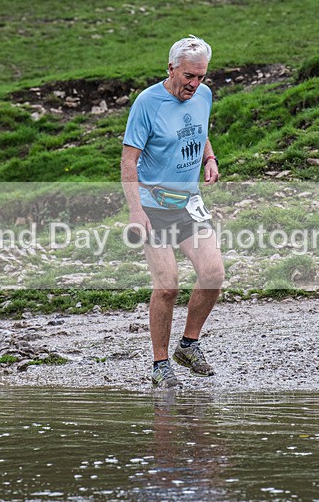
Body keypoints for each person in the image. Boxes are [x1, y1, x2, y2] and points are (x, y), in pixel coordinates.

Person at [121, 36, 225, 388]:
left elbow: (199, 128)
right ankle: (160, 363)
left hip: (188, 202)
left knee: (212, 273)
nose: (195, 85)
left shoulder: (203, 95)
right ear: (171, 68)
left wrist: (208, 157)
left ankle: (189, 345)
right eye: (189, 77)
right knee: (167, 286)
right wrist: (136, 212)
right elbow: (128, 162)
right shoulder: (147, 103)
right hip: (152, 206)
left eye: (201, 77)